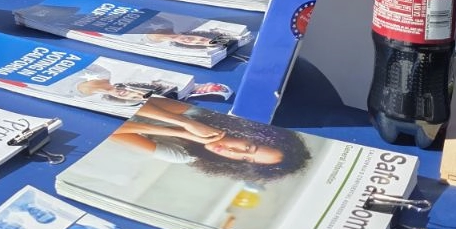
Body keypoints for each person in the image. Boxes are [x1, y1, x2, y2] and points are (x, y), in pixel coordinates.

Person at [113, 95, 312, 181]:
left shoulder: (183, 155)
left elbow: (113, 131)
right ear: (247, 134)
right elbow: (138, 101)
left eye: (245, 159)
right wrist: (184, 122)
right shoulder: (202, 115)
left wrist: (180, 132)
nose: (232, 152)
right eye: (247, 147)